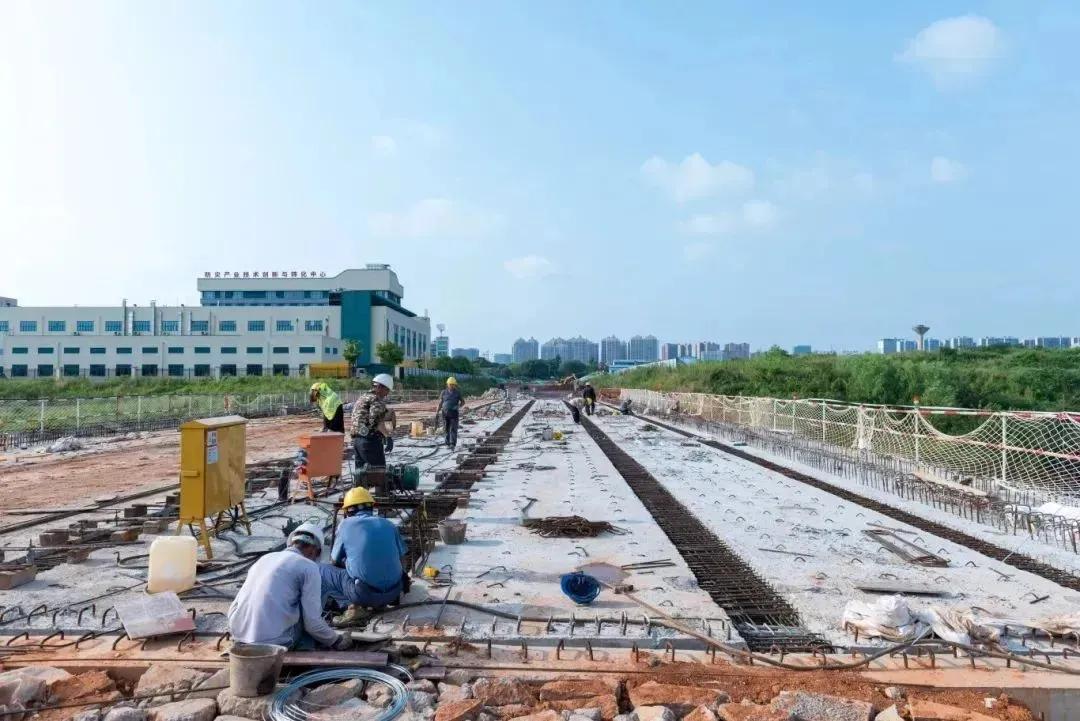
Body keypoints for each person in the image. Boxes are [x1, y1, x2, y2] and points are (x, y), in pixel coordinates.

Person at [228, 521, 352, 650]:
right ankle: (305, 652)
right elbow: (312, 624)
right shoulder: (309, 567)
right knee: (309, 625)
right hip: (272, 643)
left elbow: (234, 607)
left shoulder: (264, 559)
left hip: (239, 636)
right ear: (313, 549)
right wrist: (336, 640)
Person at [320, 487, 408, 626]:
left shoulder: (345, 525)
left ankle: (352, 608)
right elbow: (403, 559)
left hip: (364, 595)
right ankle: (378, 602)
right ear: (371, 507)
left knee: (322, 570)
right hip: (395, 592)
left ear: (348, 510)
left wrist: (348, 562)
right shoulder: (389, 525)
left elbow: (334, 560)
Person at [349, 374, 395, 485]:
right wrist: (388, 436)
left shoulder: (363, 397)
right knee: (379, 473)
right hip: (369, 442)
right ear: (380, 387)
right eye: (387, 390)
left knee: (360, 475)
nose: (387, 393)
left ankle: (360, 498)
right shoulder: (376, 399)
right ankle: (382, 499)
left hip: (357, 441)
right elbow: (376, 422)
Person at [436, 377, 465, 450]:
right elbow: (440, 402)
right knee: (446, 428)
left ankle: (453, 444)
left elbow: (463, 402)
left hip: (454, 413)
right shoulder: (443, 392)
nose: (452, 386)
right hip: (445, 413)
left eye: (453, 384)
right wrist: (437, 411)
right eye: (450, 384)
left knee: (453, 428)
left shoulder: (457, 393)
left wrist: (458, 406)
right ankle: (447, 443)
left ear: (455, 385)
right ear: (447, 384)